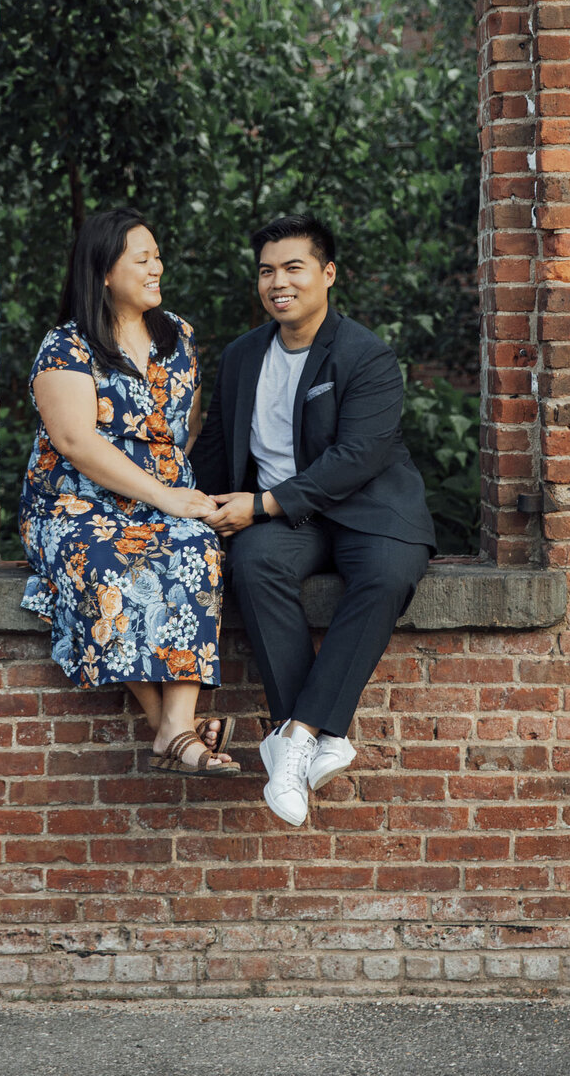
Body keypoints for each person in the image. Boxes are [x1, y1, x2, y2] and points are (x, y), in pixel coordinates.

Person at [192, 211, 436, 823]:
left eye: (294, 268)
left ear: (327, 274)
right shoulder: (244, 355)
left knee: (385, 574)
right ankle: (318, 738)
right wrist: (187, 507)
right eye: (267, 271)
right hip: (285, 523)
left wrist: (262, 504)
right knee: (253, 562)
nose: (279, 282)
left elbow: (359, 456)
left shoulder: (366, 355)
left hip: (367, 508)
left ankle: (294, 735)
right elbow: (219, 447)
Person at [19, 207, 239, 775]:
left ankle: (174, 727)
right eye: (142, 259)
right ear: (104, 273)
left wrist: (176, 495)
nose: (156, 268)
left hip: (162, 499)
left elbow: (184, 429)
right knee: (111, 565)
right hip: (75, 503)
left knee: (195, 548)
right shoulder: (65, 346)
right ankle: (181, 734)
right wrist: (164, 497)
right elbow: (75, 441)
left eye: (157, 256)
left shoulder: (178, 336)